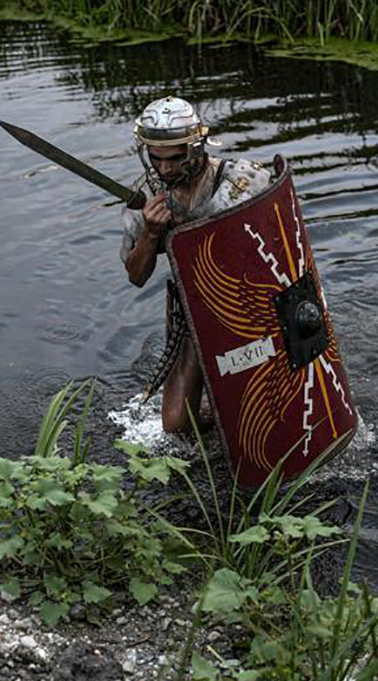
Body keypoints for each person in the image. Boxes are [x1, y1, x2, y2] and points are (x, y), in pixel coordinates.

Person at [119, 96, 271, 433]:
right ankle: (212, 409)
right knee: (175, 425)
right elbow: (136, 276)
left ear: (197, 147)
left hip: (253, 305)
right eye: (156, 160)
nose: (165, 169)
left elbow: (277, 240)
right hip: (195, 310)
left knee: (262, 407)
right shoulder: (145, 199)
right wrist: (152, 233)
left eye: (174, 159)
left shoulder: (240, 181)